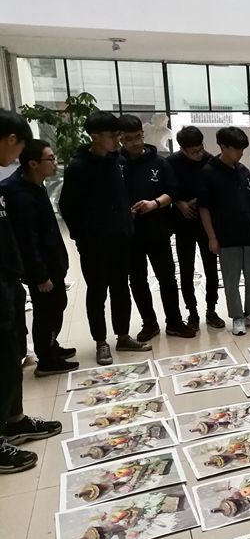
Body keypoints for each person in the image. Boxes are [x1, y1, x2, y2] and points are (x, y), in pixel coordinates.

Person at [59, 112, 151, 365]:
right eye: (113, 136)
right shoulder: (78, 167)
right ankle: (101, 341)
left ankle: (123, 335)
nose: (117, 141)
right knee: (97, 292)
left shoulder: (117, 160)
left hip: (120, 238)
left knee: (121, 289)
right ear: (95, 136)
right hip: (94, 243)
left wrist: (125, 221)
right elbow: (67, 206)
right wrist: (82, 235)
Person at [0, 110, 63, 473]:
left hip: (7, 281)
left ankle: (14, 420)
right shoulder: (13, 188)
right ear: (13, 140)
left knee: (11, 356)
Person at [0, 139, 77, 376]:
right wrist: (40, 275)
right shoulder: (18, 194)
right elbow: (27, 240)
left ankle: (51, 346)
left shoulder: (36, 184)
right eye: (50, 159)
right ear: (33, 163)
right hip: (40, 266)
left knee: (57, 304)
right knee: (47, 310)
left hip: (52, 260)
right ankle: (46, 360)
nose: (55, 163)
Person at [118, 115, 194, 342]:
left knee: (167, 278)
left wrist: (155, 203)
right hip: (129, 234)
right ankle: (149, 323)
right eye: (129, 139)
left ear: (143, 134)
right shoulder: (116, 164)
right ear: (120, 139)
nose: (135, 143)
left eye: (138, 137)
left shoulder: (159, 162)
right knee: (137, 280)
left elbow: (172, 191)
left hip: (158, 230)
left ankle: (174, 322)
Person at [197, 127, 250, 335]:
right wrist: (212, 237)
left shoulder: (243, 171)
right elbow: (204, 208)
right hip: (227, 237)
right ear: (223, 146)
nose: (240, 153)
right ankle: (237, 317)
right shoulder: (209, 172)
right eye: (237, 149)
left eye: (242, 149)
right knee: (231, 280)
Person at [167, 126, 224, 331]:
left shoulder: (210, 160)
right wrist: (180, 203)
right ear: (182, 149)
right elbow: (168, 188)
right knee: (186, 269)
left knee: (211, 268)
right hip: (183, 223)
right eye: (193, 152)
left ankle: (211, 309)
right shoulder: (171, 162)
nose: (199, 154)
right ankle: (192, 311)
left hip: (207, 223)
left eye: (200, 148)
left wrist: (200, 200)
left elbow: (216, 189)